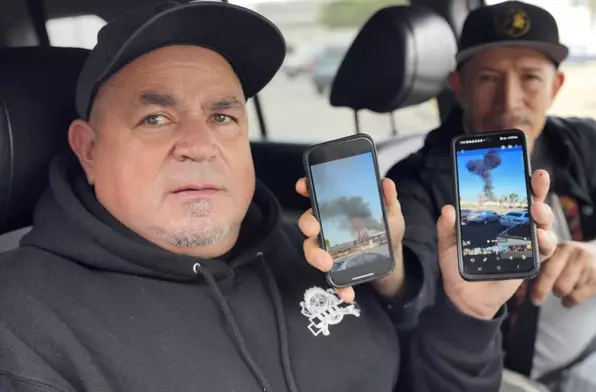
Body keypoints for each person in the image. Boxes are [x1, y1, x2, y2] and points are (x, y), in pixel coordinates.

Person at [0, 2, 558, 392]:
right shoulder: (22, 328)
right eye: (155, 116)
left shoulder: (314, 252)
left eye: (222, 115)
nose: (200, 145)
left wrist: (468, 313)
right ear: (89, 149)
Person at [388, 1, 596, 391]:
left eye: (530, 78)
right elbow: (411, 285)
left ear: (555, 87)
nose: (510, 101)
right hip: (502, 375)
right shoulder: (415, 180)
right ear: (459, 87)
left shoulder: (581, 145)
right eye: (489, 78)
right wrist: (392, 276)